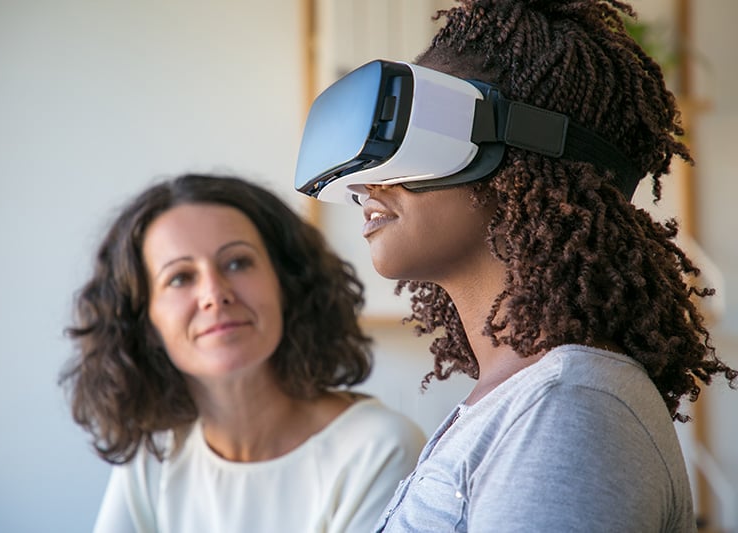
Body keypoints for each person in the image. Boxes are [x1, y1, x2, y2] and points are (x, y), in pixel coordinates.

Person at [294, 0, 737, 531]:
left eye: (415, 137)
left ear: (529, 150)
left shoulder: (567, 408)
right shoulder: (527, 398)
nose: (369, 181)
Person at [59, 173, 425, 533]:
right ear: (144, 321)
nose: (214, 294)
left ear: (287, 284)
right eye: (180, 277)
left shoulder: (380, 448)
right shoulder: (153, 452)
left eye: (237, 263)